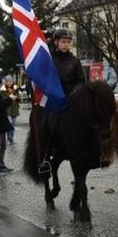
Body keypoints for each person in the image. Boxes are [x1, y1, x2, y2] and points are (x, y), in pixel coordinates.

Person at [37, 28, 87, 174]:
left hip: (71, 98)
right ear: (56, 42)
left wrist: (73, 94)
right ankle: (46, 156)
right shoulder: (49, 59)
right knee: (48, 123)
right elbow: (43, 78)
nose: (66, 44)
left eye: (68, 42)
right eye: (63, 42)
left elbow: (81, 81)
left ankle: (95, 152)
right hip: (53, 99)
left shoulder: (75, 61)